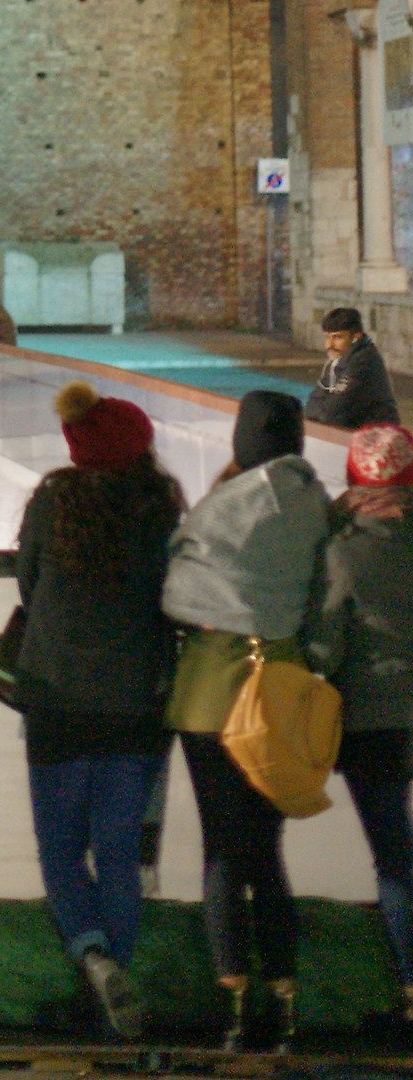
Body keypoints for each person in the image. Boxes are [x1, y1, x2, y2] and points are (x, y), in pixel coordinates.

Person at [161, 389, 330, 1052]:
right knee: (266, 852)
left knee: (223, 853)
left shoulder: (219, 510)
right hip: (282, 692)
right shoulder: (316, 505)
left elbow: (178, 590)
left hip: (209, 696)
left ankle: (233, 1011)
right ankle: (284, 1009)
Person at [14, 382, 185, 1039]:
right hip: (136, 702)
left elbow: (28, 583)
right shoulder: (159, 504)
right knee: (117, 852)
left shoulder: (53, 500)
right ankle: (116, 979)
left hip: (55, 695)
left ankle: (90, 957)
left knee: (60, 847)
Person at [307, 421, 413, 1023]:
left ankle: (410, 985)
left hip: (373, 721)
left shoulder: (342, 547)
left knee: (395, 858)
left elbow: (325, 649)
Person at [305, 308, 399, 432]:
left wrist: (320, 411)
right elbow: (311, 404)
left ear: (356, 338)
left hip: (377, 440)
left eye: (337, 338)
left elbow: (333, 413)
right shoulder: (341, 361)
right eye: (327, 337)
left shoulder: (364, 362)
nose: (329, 345)